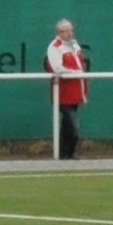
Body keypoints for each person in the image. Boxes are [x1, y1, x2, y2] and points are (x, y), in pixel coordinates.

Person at [46, 18, 88, 159]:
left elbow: (81, 65)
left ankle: (66, 155)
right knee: (73, 126)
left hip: (76, 93)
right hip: (63, 94)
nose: (69, 34)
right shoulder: (54, 47)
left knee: (67, 125)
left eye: (71, 30)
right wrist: (76, 72)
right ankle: (66, 153)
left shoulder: (75, 46)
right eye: (65, 31)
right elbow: (57, 68)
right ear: (59, 33)